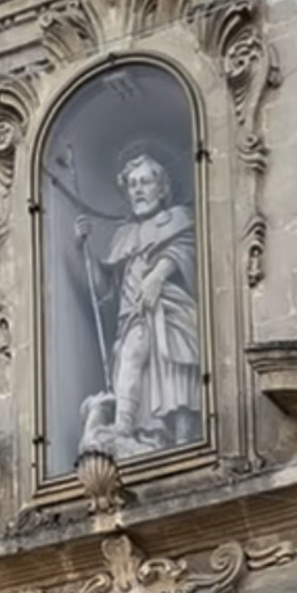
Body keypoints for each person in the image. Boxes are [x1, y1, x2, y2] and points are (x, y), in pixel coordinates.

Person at [75, 147, 201, 461]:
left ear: (162, 186)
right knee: (130, 358)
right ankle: (131, 431)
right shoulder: (123, 235)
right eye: (132, 184)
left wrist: (159, 274)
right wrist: (86, 251)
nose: (139, 190)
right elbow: (104, 291)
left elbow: (187, 250)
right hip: (131, 315)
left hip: (169, 310)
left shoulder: (179, 218)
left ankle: (150, 431)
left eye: (145, 182)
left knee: (172, 369)